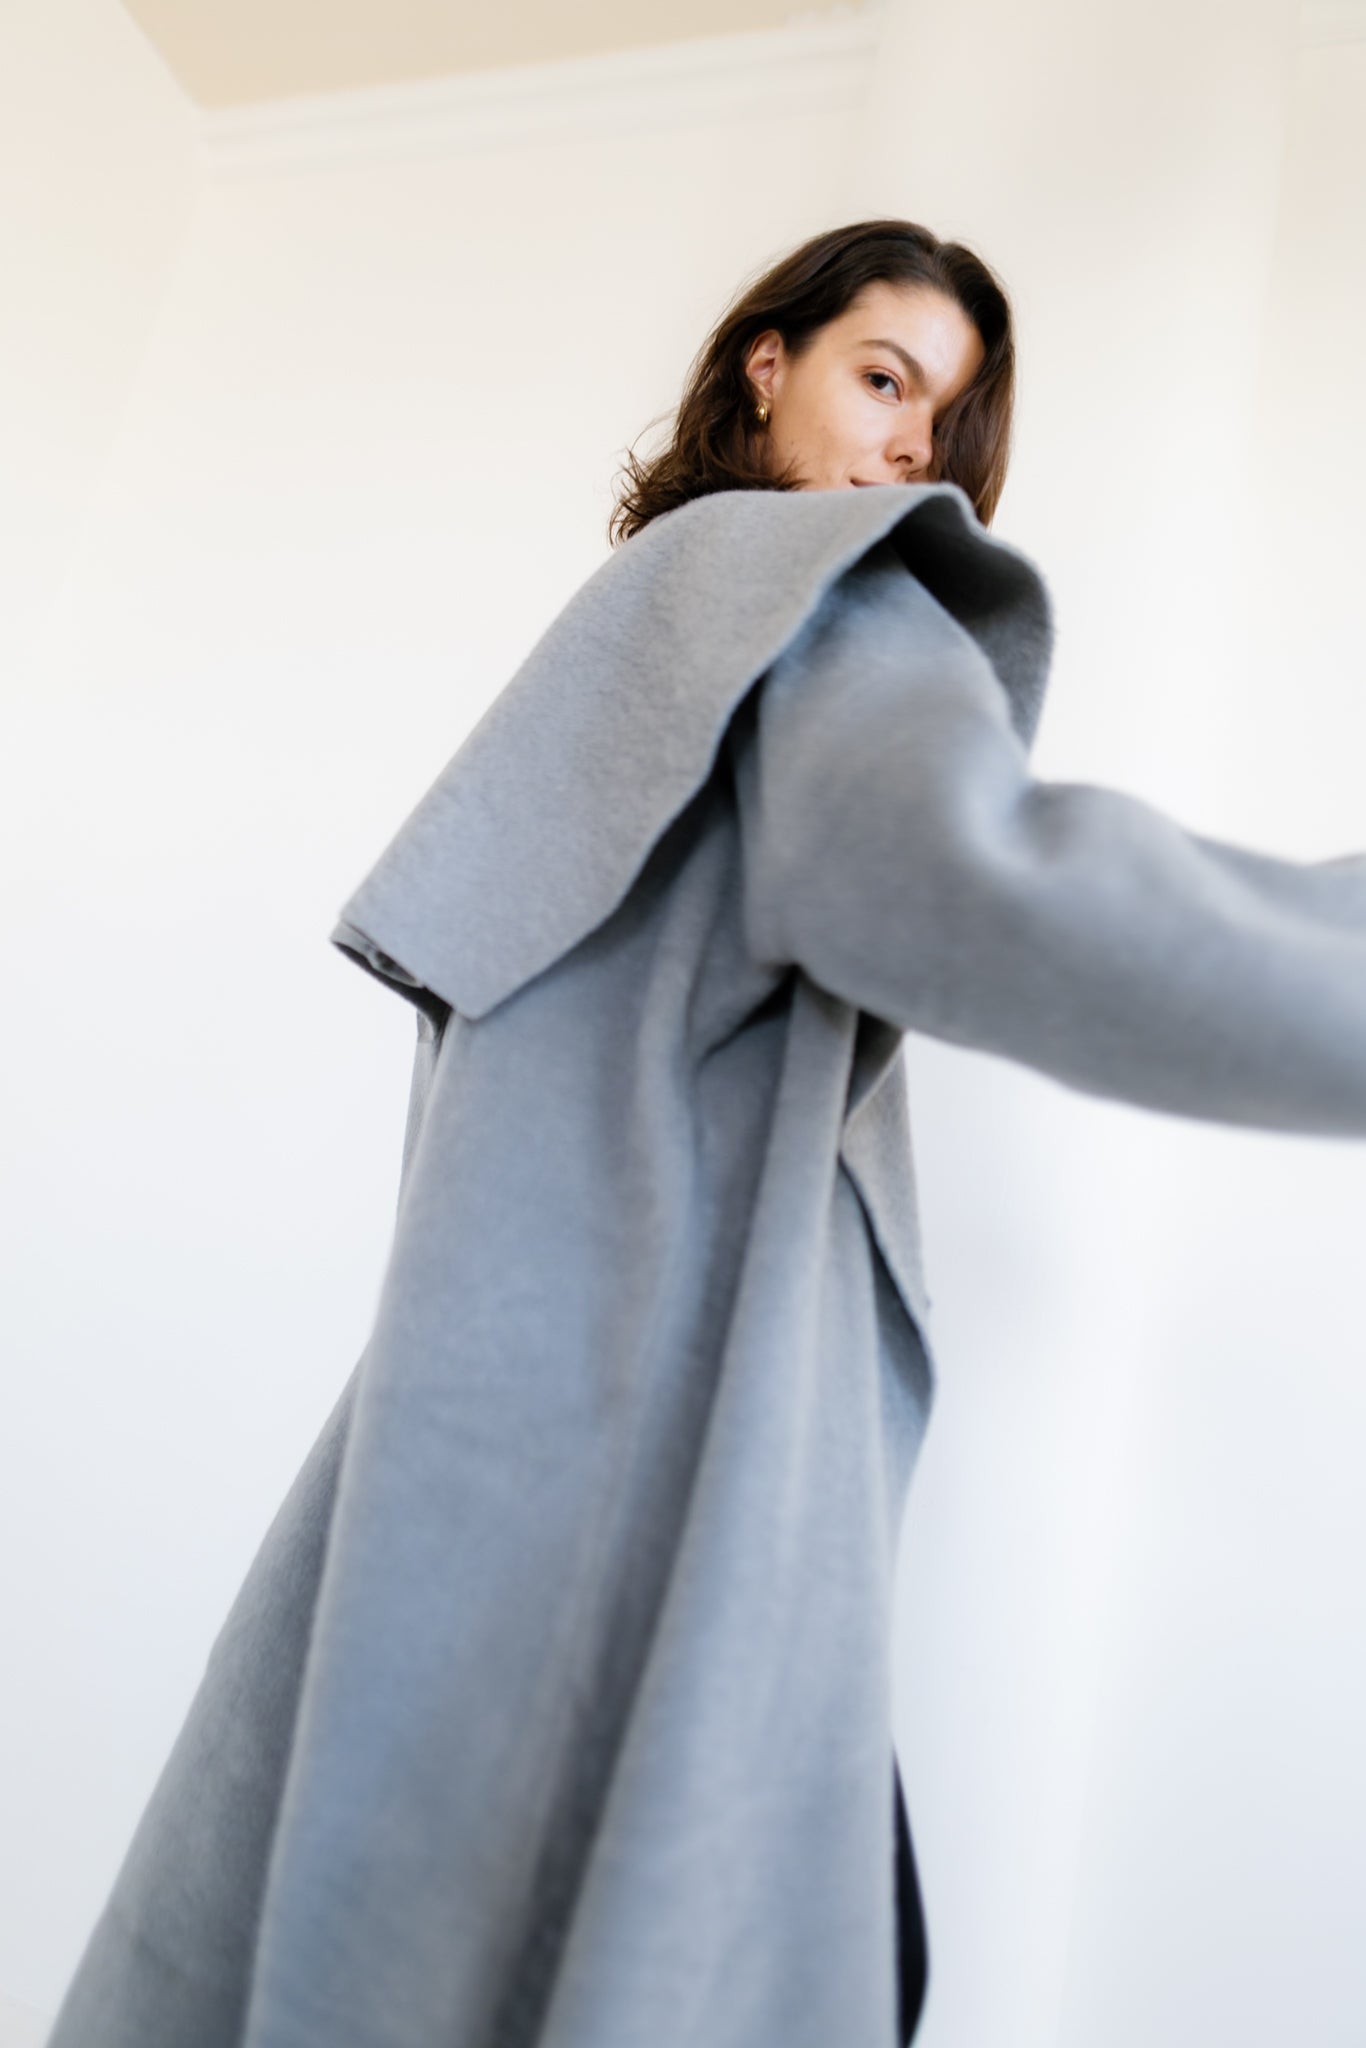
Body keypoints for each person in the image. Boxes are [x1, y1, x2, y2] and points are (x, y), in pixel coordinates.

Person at [45, 220, 1366, 2048]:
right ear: (770, 362)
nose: (907, 449)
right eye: (882, 377)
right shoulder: (814, 587)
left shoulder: (647, 635)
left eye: (942, 423)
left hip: (462, 1428)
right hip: (671, 1401)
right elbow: (983, 886)